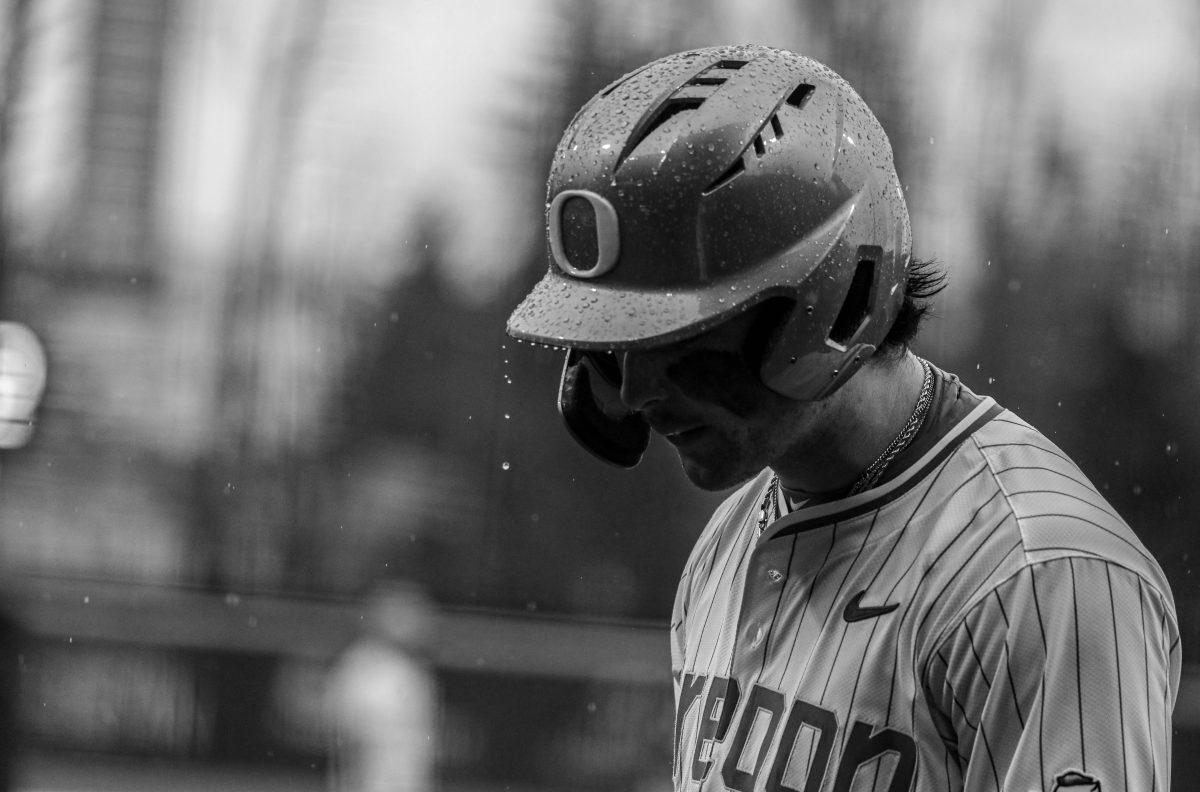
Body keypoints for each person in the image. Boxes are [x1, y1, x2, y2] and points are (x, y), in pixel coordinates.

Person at [506, 44, 1180, 792]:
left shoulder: (1042, 576)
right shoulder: (727, 543)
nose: (632, 393)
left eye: (674, 340)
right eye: (611, 346)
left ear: (830, 294)